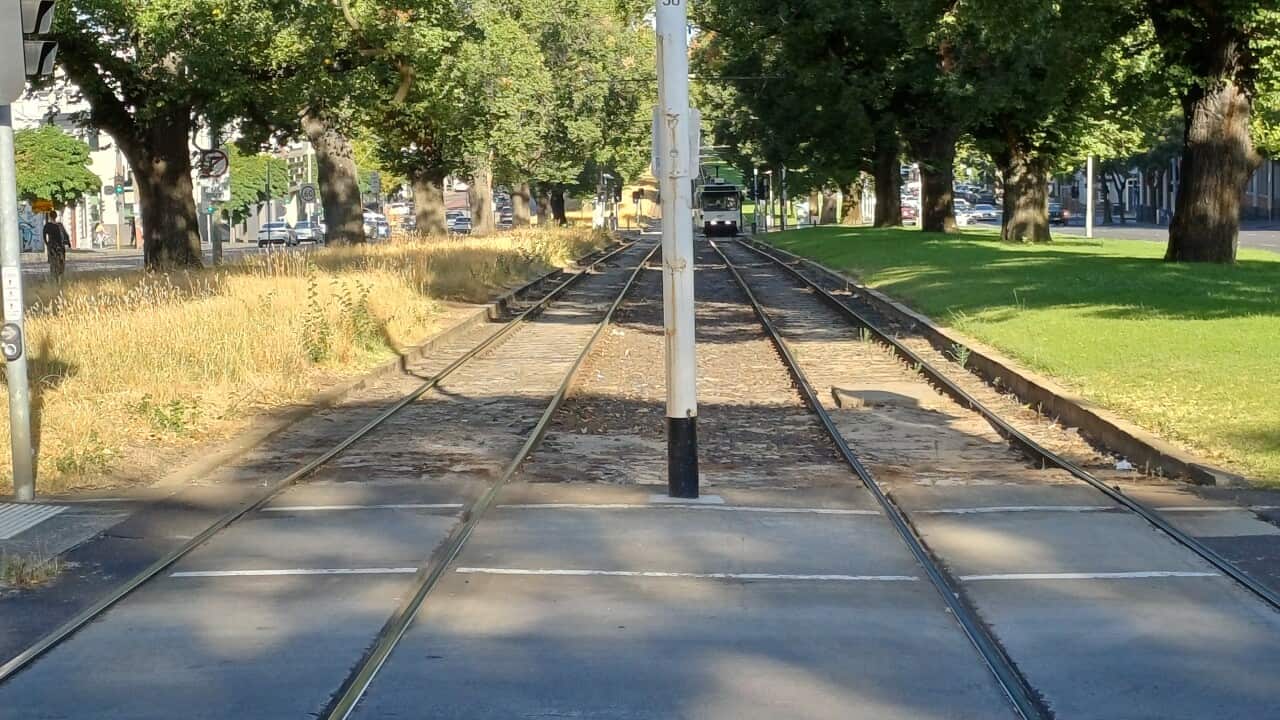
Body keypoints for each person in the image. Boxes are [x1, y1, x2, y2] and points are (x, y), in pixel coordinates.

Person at [42, 210, 69, 280]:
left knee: (52, 262)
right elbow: (65, 235)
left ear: (49, 216)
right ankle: (60, 275)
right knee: (61, 261)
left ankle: (54, 277)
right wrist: (68, 243)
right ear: (56, 216)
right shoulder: (59, 225)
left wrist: (47, 244)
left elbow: (44, 236)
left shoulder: (47, 225)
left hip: (51, 246)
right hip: (59, 246)